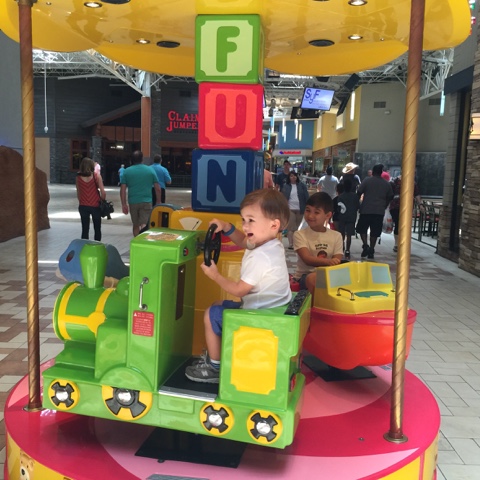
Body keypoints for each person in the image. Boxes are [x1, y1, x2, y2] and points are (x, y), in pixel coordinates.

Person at [185, 189, 292, 383]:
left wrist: (215, 275)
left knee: (210, 314)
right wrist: (226, 227)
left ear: (274, 225)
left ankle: (214, 368)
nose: (245, 225)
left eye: (251, 220)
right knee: (218, 304)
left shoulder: (261, 257)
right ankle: (220, 354)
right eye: (243, 219)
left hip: (260, 316)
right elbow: (243, 241)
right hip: (271, 309)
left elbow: (239, 290)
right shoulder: (269, 243)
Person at [292, 192, 343, 294]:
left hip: (328, 275)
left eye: (316, 212)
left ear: (328, 215)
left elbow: (337, 260)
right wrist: (329, 262)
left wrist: (333, 263)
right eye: (308, 210)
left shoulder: (336, 236)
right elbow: (307, 259)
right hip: (305, 277)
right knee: (314, 278)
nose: (310, 215)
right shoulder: (299, 234)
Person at [356, 163, 394, 259]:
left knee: (362, 229)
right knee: (375, 231)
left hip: (366, 209)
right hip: (379, 211)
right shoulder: (386, 183)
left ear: (373, 172)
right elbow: (390, 196)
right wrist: (385, 204)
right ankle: (372, 249)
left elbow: (359, 192)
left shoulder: (367, 181)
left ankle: (365, 245)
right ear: (381, 172)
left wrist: (358, 204)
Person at [120, 150, 162, 237]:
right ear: (142, 159)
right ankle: (143, 241)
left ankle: (136, 240)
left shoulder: (127, 171)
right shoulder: (150, 170)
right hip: (147, 201)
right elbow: (157, 188)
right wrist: (158, 201)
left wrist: (124, 204)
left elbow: (122, 190)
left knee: (135, 224)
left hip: (133, 202)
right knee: (144, 224)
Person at [389, 174, 425, 252]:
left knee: (403, 225)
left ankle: (400, 243)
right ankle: (397, 244)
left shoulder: (412, 183)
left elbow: (416, 194)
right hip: (396, 207)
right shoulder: (394, 182)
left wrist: (420, 204)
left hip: (405, 207)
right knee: (398, 224)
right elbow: (389, 194)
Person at [76, 157, 106, 242]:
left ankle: (84, 245)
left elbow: (78, 192)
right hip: (95, 205)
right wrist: (102, 200)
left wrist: (81, 201)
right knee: (97, 228)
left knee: (85, 229)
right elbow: (103, 192)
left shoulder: (78, 178)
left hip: (83, 205)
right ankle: (97, 245)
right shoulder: (96, 176)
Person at [281, 170, 310, 249]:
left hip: (300, 209)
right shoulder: (286, 186)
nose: (293, 177)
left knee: (297, 228)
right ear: (289, 177)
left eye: (294, 176)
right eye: (291, 176)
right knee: (291, 227)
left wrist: (308, 207)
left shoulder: (302, 186)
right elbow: (283, 197)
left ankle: (295, 243)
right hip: (290, 209)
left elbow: (306, 196)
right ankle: (291, 244)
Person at [336, 178, 360, 260]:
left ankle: (341, 247)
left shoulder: (341, 196)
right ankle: (347, 250)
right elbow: (358, 206)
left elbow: (339, 207)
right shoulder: (355, 196)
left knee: (341, 233)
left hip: (342, 217)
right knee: (349, 234)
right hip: (351, 217)